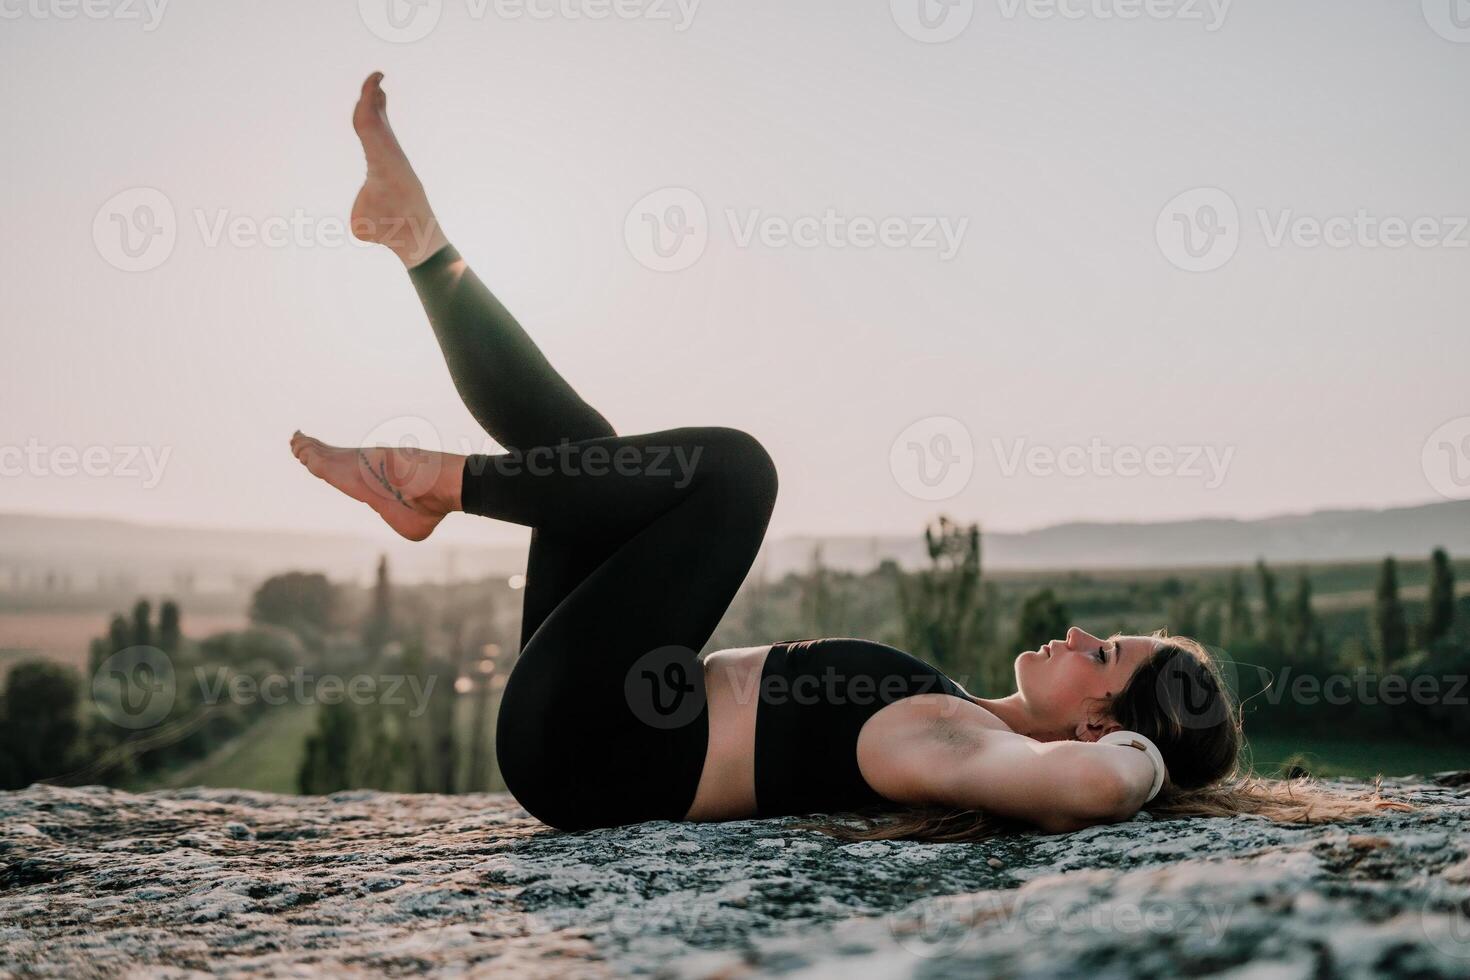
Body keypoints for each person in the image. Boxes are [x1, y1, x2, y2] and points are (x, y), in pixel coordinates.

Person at [291, 73, 1404, 840]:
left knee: (738, 473)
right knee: (588, 462)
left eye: (1102, 650)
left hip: (587, 744)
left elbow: (1076, 787)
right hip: (586, 723)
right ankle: (418, 242)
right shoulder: (956, 708)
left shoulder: (964, 743)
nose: (1075, 631)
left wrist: (1148, 765)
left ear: (1099, 717)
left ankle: (434, 482)